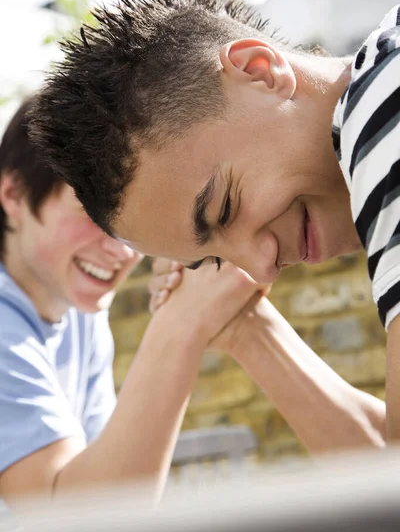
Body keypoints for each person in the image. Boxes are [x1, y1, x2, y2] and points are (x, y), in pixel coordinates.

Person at [29, 0, 399, 441]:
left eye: (224, 208)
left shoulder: (383, 115)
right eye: (214, 261)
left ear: (259, 72)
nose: (263, 267)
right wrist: (247, 329)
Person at [0, 97, 261, 510]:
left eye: (128, 222)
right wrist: (180, 325)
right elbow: (69, 525)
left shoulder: (79, 313)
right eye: (93, 215)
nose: (122, 252)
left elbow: (110, 490)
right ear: (13, 195)